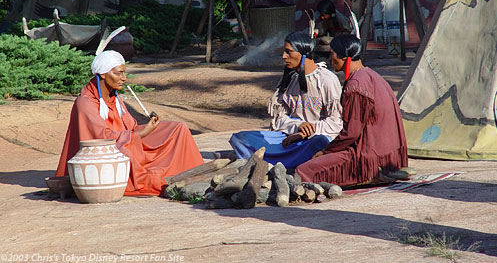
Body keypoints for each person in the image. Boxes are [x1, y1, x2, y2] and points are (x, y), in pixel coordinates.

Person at [55, 50, 204, 196]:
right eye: (118, 73)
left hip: (127, 140)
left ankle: (196, 174)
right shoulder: (85, 102)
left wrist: (147, 128)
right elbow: (102, 138)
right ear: (103, 74)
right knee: (127, 153)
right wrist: (140, 134)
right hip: (106, 151)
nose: (124, 78)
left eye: (123, 73)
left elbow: (131, 127)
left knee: (178, 128)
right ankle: (156, 180)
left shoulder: (115, 97)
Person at [296, 34, 408, 185]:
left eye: (332, 54)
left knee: (303, 171)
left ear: (344, 57)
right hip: (388, 155)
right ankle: (381, 171)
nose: (330, 59)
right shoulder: (373, 75)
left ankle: (370, 173)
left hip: (368, 156)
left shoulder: (355, 86)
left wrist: (326, 152)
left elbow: (351, 133)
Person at [229, 31, 343, 169]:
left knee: (319, 143)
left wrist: (305, 132)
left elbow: (336, 122)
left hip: (314, 138)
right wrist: (297, 126)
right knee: (239, 139)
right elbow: (278, 119)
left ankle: (271, 165)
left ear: (303, 53)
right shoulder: (291, 79)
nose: (284, 56)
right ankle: (282, 165)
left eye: (288, 52)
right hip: (289, 138)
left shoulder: (326, 79)